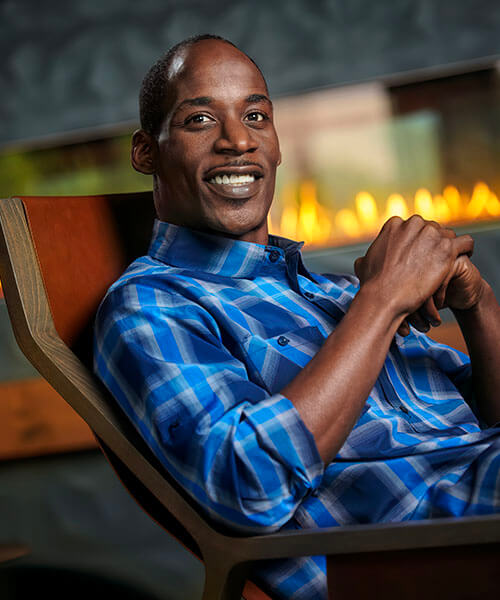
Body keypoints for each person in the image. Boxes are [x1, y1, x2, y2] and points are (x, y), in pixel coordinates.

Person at [94, 34, 500, 599]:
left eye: (256, 116)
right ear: (146, 153)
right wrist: (382, 300)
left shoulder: (331, 292)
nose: (238, 140)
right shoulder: (152, 304)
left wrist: (479, 304)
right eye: (200, 120)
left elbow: (488, 415)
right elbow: (245, 486)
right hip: (429, 557)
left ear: (278, 144)